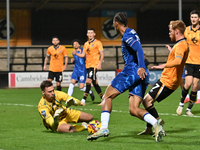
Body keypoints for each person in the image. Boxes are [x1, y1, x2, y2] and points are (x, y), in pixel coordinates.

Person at [87, 12, 165, 142]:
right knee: (133, 109)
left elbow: (139, 49)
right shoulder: (132, 32)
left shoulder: (127, 35)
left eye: (113, 23)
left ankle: (104, 127)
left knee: (107, 96)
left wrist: (140, 66)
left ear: (117, 23)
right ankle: (155, 123)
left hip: (132, 72)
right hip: (142, 74)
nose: (113, 25)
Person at [138, 20, 188, 135]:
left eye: (170, 31)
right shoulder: (181, 44)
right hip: (167, 79)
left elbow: (178, 61)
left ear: (177, 31)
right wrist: (171, 51)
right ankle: (150, 129)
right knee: (147, 101)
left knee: (147, 101)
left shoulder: (180, 45)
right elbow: (178, 57)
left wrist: (163, 65)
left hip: (168, 81)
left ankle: (158, 127)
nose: (169, 33)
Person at [176, 10, 200, 116]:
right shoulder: (186, 30)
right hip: (189, 62)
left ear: (199, 19)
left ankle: (188, 110)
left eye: (195, 17)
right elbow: (181, 43)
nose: (193, 19)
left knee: (195, 86)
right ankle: (181, 105)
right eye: (192, 17)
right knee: (188, 84)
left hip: (199, 63)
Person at [73, 28, 104, 105]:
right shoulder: (86, 44)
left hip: (94, 65)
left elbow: (102, 54)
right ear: (87, 34)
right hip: (88, 65)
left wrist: (100, 63)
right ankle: (104, 99)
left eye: (91, 33)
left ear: (94, 34)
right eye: (88, 33)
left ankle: (83, 100)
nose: (90, 34)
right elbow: (83, 55)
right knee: (95, 83)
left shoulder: (98, 43)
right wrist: (76, 54)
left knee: (88, 81)